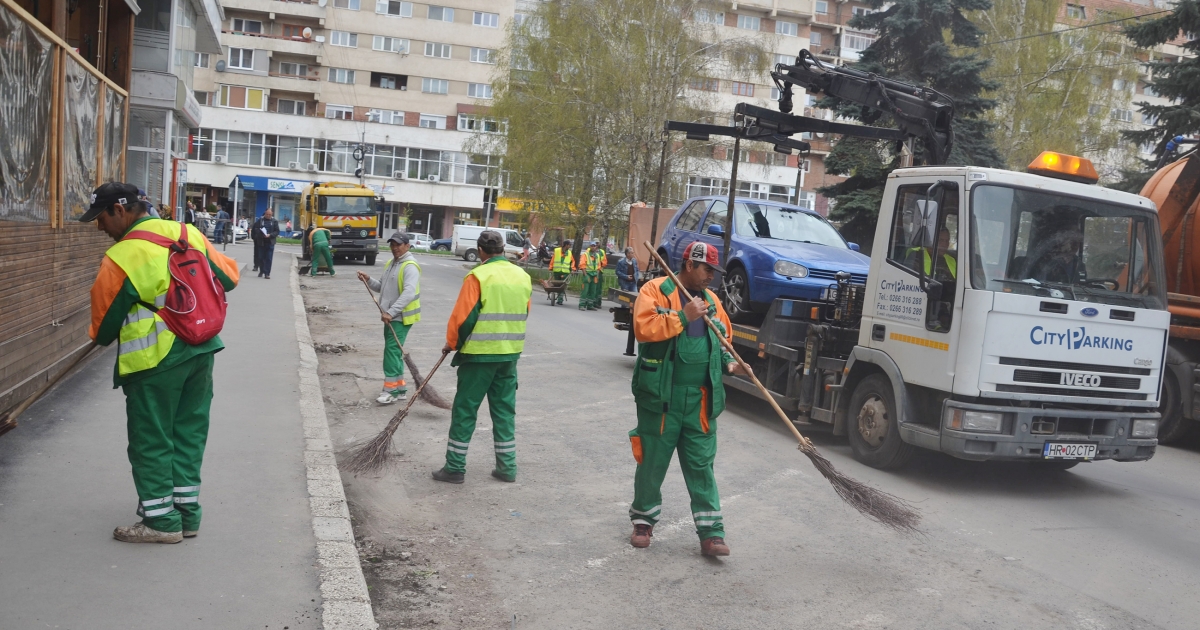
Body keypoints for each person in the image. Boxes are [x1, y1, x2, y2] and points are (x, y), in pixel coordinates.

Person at [80, 182, 239, 543]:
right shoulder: (188, 233)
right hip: (201, 349)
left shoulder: (123, 256)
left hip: (155, 360)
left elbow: (103, 329)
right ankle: (187, 515)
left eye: (101, 218)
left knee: (151, 439)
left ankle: (160, 522)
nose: (99, 228)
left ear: (120, 211)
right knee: (188, 432)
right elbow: (229, 278)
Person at [627, 241, 751, 557]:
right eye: (707, 269)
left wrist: (732, 363)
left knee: (701, 466)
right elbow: (643, 328)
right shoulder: (655, 291)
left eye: (714, 270)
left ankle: (712, 533)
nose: (712, 276)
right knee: (652, 462)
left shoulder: (712, 302)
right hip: (661, 398)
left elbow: (723, 339)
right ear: (689, 265)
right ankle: (643, 521)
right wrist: (683, 316)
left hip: (700, 401)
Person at [433, 231, 533, 484]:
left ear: (480, 251)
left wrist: (453, 343)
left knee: (465, 410)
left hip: (479, 356)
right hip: (509, 355)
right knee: (504, 411)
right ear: (502, 249)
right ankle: (507, 467)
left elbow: (464, 318)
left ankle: (455, 468)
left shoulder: (478, 276)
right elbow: (525, 311)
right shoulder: (522, 276)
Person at [358, 233, 421, 404]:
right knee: (394, 352)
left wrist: (391, 312)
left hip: (400, 318)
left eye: (398, 244)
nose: (394, 248)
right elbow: (381, 287)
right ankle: (400, 389)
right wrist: (368, 279)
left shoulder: (410, 267)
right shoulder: (391, 263)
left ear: (407, 246)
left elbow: (409, 293)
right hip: (391, 316)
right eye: (392, 244)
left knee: (391, 352)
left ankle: (390, 391)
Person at [254, 209, 280, 279]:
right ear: (265, 213)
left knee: (269, 258)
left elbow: (277, 231)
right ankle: (261, 271)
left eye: (270, 215)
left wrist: (270, 235)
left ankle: (267, 273)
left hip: (270, 242)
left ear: (272, 214)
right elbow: (256, 229)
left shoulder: (274, 221)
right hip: (261, 242)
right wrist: (261, 234)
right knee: (261, 257)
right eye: (267, 214)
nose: (268, 216)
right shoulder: (260, 220)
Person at [577, 241, 602, 311]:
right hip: (588, 274)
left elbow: (598, 266)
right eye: (592, 246)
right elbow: (582, 265)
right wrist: (585, 275)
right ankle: (582, 305)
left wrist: (597, 275)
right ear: (589, 246)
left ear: (596, 247)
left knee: (593, 291)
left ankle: (590, 305)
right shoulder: (585, 255)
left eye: (594, 246)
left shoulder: (597, 255)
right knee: (585, 290)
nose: (593, 247)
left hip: (594, 275)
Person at [549, 239, 574, 306]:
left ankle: (560, 300)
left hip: (565, 272)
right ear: (566, 245)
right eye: (569, 245)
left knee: (562, 286)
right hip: (557, 271)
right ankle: (556, 297)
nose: (570, 246)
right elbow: (553, 260)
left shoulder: (569, 253)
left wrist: (573, 269)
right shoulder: (557, 251)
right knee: (556, 285)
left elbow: (572, 262)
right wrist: (551, 267)